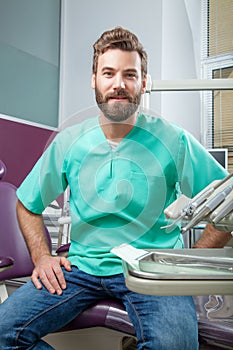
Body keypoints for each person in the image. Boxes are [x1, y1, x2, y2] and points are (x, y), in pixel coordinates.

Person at [0, 27, 231, 350]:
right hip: (80, 269)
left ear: (144, 82)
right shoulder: (69, 142)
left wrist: (191, 262)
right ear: (93, 79)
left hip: (154, 272)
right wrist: (42, 256)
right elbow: (27, 203)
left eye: (130, 74)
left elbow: (227, 201)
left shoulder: (173, 139)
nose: (118, 84)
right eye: (108, 73)